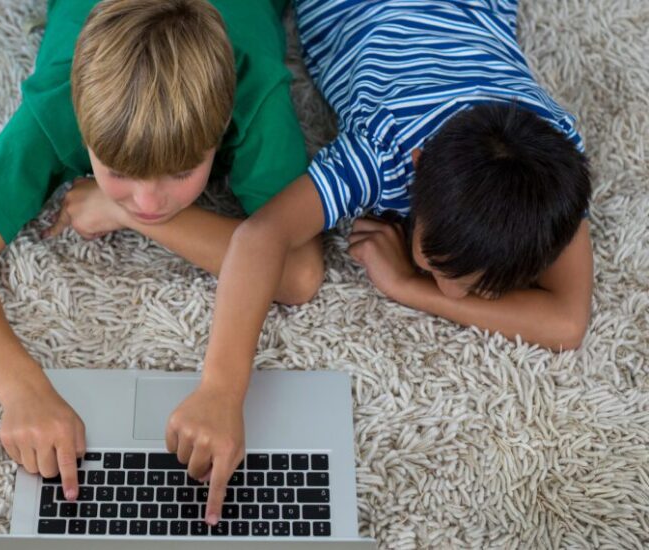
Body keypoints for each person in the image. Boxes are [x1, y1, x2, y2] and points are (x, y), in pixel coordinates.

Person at [165, 0, 593, 524]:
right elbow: (261, 237)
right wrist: (220, 391)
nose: (453, 294)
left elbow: (567, 322)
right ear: (415, 172)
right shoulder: (385, 148)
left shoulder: (553, 161)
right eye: (435, 264)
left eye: (482, 287)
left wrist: (409, 286)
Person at [0, 0, 322, 519]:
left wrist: (122, 211)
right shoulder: (59, 104)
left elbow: (300, 272)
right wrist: (22, 391)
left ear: (222, 122)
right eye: (120, 174)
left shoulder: (253, 92)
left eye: (181, 171)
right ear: (82, 131)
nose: (151, 201)